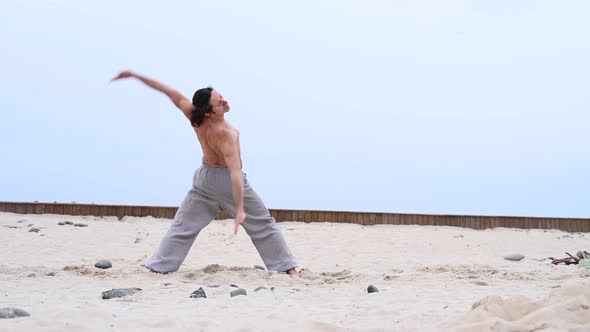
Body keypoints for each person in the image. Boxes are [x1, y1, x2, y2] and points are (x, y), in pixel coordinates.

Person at [111, 70, 298, 275]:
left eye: (222, 97)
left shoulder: (195, 117)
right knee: (263, 223)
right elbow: (235, 173)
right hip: (226, 181)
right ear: (209, 112)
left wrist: (135, 76)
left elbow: (167, 90)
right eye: (219, 103)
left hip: (204, 179)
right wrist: (240, 207)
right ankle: (286, 267)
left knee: (183, 225)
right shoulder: (226, 134)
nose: (225, 102)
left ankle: (159, 266)